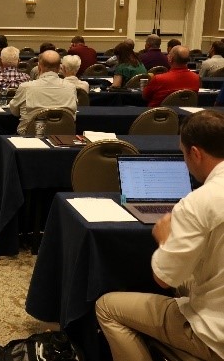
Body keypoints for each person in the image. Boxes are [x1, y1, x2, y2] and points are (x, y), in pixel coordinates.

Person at [96, 109, 224, 361]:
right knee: (186, 282)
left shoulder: (199, 202)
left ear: (195, 153)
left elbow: (164, 278)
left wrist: (166, 238)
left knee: (107, 306)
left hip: (214, 335)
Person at [8, 50, 77, 135]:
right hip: (64, 137)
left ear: (39, 67)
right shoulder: (71, 87)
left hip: (30, 138)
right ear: (59, 68)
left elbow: (14, 111)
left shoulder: (26, 87)